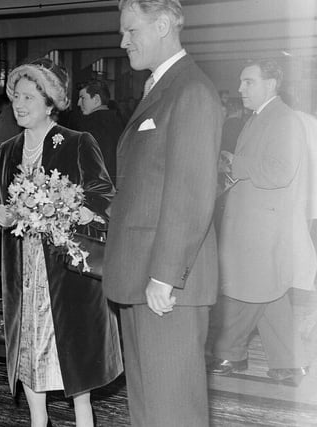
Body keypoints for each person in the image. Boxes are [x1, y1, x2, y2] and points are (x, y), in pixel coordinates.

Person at [0, 58, 122, 427]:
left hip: (65, 268)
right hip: (22, 267)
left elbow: (103, 192)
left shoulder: (77, 142)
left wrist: (73, 208)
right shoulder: (6, 151)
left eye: (29, 97)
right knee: (28, 344)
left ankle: (83, 420)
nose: (20, 104)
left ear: (50, 102)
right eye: (16, 97)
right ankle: (37, 420)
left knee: (71, 349)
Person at [102, 1, 223, 425]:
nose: (124, 41)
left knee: (172, 410)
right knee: (151, 407)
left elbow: (191, 191)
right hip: (144, 276)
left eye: (131, 30)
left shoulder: (190, 90)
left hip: (166, 284)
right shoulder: (161, 87)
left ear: (164, 24)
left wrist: (165, 275)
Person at [207, 59, 313, 385]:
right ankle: (289, 363)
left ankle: (230, 353)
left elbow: (280, 171)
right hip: (254, 224)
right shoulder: (260, 117)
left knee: (245, 292)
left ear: (271, 84)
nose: (240, 89)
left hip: (263, 228)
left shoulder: (282, 119)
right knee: (269, 293)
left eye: (248, 82)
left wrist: (235, 164)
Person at [72, 79, 123, 184]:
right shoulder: (118, 121)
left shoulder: (88, 125)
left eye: (82, 98)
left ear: (96, 99)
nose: (78, 103)